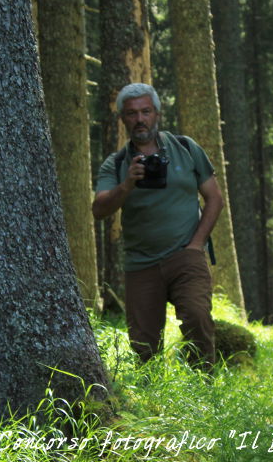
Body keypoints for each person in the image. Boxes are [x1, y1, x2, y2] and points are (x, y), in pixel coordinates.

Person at [92, 83, 224, 370]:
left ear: (157, 114)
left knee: (197, 318)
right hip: (141, 264)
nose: (140, 119)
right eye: (132, 114)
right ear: (123, 119)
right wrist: (127, 184)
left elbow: (214, 198)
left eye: (145, 111)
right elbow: (99, 210)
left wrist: (196, 245)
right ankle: (153, 402)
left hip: (185, 257)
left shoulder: (186, 148)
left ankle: (205, 389)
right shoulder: (115, 164)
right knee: (143, 345)